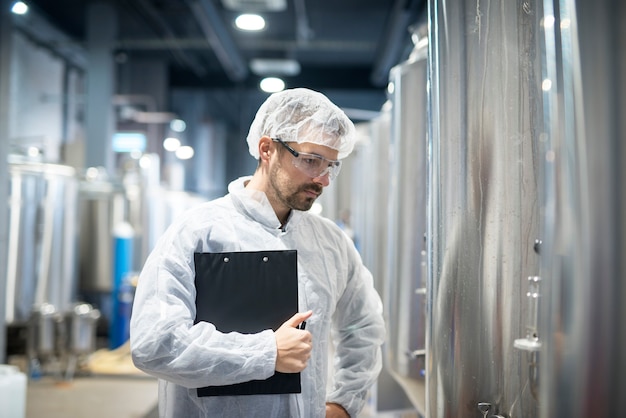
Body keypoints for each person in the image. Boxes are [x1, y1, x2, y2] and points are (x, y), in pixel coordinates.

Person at [130, 88, 386, 418]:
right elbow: (155, 344)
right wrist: (266, 352)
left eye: (331, 166)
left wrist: (343, 403)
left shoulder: (330, 243)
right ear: (267, 149)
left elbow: (362, 328)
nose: (322, 179)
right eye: (310, 161)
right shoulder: (198, 233)